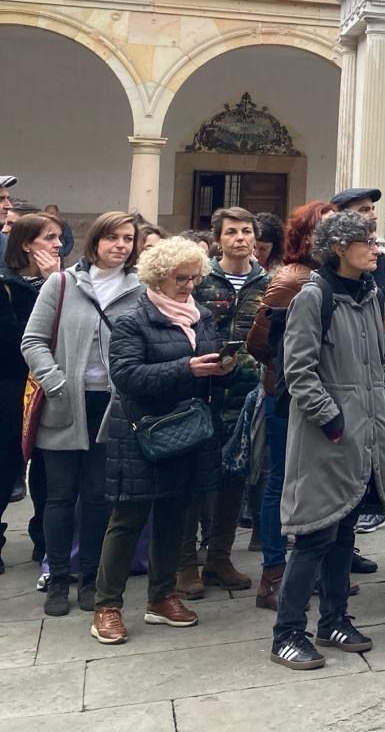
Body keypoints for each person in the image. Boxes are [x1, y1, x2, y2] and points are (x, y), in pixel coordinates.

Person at [269, 212, 385, 670]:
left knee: (343, 528)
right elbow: (299, 372)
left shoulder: (370, 294)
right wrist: (333, 420)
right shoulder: (313, 296)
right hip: (327, 438)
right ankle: (286, 633)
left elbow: (382, 361)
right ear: (340, 247)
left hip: (365, 434)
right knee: (313, 535)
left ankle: (334, 619)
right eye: (366, 241)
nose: (376, 249)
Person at [91, 237, 232, 645]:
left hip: (188, 430)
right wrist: (187, 367)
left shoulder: (200, 316)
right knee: (128, 520)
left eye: (194, 278)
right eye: (180, 278)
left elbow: (203, 368)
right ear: (158, 276)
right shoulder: (134, 319)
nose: (188, 285)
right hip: (143, 431)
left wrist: (222, 370)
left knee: (175, 514)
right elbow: (128, 377)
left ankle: (161, 597)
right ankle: (107, 606)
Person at [21, 211, 143, 615]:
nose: (120, 245)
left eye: (127, 238)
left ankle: (91, 579)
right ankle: (58, 579)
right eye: (112, 238)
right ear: (95, 241)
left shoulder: (140, 290)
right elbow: (33, 340)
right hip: (63, 403)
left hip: (111, 408)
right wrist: (55, 382)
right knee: (58, 497)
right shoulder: (61, 283)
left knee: (96, 498)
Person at [245, 200, 336, 610]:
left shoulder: (334, 277)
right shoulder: (291, 280)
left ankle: (315, 569)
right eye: (330, 227)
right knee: (281, 482)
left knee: (315, 482)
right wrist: (285, 371)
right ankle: (273, 576)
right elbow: (258, 342)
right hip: (286, 397)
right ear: (307, 236)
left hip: (324, 394)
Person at [183, 206, 266, 598]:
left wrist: (246, 365)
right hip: (200, 392)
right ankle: (185, 563)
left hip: (245, 395)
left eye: (246, 231)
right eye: (231, 231)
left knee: (235, 476)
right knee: (195, 480)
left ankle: (219, 556)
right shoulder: (199, 279)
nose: (240, 238)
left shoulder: (268, 282)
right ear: (218, 238)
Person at [2, 210, 62, 561]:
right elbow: (18, 338)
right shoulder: (6, 285)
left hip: (51, 384)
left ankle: (46, 540)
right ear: (26, 245)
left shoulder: (64, 281)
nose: (58, 245)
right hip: (11, 386)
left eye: (59, 238)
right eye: (49, 238)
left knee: (47, 469)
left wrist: (54, 282)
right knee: (6, 462)